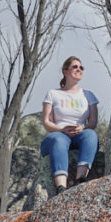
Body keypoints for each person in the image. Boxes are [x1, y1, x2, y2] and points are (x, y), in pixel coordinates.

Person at [40, 56, 99, 194]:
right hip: (58, 134)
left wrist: (82, 128)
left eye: (81, 67)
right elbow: (46, 122)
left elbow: (93, 122)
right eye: (75, 67)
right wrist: (62, 129)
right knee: (58, 140)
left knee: (91, 135)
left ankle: (81, 179)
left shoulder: (88, 95)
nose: (79, 69)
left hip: (80, 134)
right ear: (65, 71)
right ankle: (61, 187)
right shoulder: (53, 94)